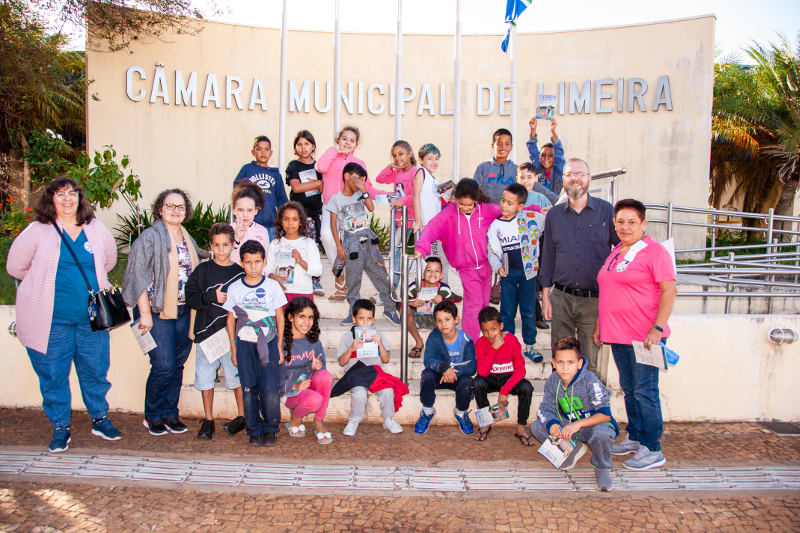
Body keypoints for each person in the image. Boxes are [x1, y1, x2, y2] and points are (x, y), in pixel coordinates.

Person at [7, 177, 121, 452]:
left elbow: (108, 262)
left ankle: (100, 418)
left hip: (91, 320)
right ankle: (60, 426)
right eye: (61, 194)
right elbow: (16, 267)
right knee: (53, 374)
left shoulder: (95, 229)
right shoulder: (37, 230)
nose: (67, 199)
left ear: (80, 198)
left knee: (95, 371)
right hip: (51, 321)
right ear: (51, 199)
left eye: (72, 194)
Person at [594, 199, 677, 471]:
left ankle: (653, 449)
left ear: (644, 224)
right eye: (620, 221)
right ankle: (637, 436)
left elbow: (669, 290)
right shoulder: (616, 251)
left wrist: (657, 328)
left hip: (645, 337)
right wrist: (599, 325)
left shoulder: (655, 252)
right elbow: (609, 291)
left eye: (631, 222)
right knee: (630, 390)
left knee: (645, 392)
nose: (625, 226)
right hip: (618, 335)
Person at [123, 188, 211, 437]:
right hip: (156, 310)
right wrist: (145, 313)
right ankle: (153, 415)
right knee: (163, 365)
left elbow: (203, 259)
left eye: (180, 207)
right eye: (170, 206)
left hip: (184, 310)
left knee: (178, 364)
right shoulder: (149, 238)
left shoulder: (186, 238)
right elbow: (138, 276)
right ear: (160, 209)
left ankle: (170, 414)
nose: (175, 210)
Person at [414, 178, 541, 340]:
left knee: (483, 304)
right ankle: (470, 342)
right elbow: (433, 227)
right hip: (466, 267)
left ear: (476, 200)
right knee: (474, 304)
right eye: (461, 204)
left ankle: (483, 337)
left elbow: (508, 210)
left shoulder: (485, 209)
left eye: (470, 204)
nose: (465, 208)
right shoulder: (449, 213)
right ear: (455, 199)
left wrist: (534, 209)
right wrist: (421, 247)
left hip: (485, 265)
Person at [539, 158, 619, 375]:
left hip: (593, 301)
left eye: (580, 174)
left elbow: (620, 251)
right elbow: (547, 257)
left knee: (589, 362)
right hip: (561, 299)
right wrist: (546, 297)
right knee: (562, 361)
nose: (575, 178)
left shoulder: (606, 211)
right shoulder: (554, 215)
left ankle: (588, 408)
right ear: (563, 180)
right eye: (570, 174)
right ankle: (562, 407)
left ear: (589, 179)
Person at [529, 336, 619, 491]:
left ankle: (601, 466)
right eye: (560, 362)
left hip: (591, 426)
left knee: (602, 433)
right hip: (568, 427)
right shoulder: (553, 380)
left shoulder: (590, 380)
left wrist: (579, 424)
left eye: (570, 363)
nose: (565, 368)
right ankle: (572, 451)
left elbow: (605, 414)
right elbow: (545, 408)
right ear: (553, 363)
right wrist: (552, 423)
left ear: (579, 363)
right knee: (537, 427)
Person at [184, 223, 247, 440]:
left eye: (226, 245)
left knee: (236, 377)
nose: (221, 250)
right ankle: (208, 419)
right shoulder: (202, 271)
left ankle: (242, 416)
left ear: (233, 245)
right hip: (207, 335)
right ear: (211, 246)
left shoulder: (240, 273)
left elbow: (247, 305)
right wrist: (211, 297)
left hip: (231, 338)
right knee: (205, 378)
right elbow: (190, 297)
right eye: (217, 245)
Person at [223, 240, 287, 446]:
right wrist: (233, 349)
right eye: (248, 262)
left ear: (264, 262)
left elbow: (280, 317)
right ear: (241, 263)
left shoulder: (272, 286)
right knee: (249, 388)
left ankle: (271, 428)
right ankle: (254, 429)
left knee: (269, 389)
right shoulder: (234, 288)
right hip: (244, 343)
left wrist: (279, 345)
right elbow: (230, 319)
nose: (253, 267)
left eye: (257, 262)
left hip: (267, 343)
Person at [324, 162, 400, 327]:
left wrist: (363, 188)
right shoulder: (336, 199)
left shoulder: (361, 193)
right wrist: (338, 245)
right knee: (353, 278)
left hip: (368, 240)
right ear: (347, 177)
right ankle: (353, 312)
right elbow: (333, 224)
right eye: (358, 180)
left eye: (363, 181)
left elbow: (371, 208)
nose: (360, 183)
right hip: (351, 242)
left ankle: (390, 309)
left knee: (380, 274)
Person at [315, 126, 382, 302]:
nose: (347, 143)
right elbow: (320, 166)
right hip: (331, 206)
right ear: (338, 140)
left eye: (352, 140)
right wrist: (333, 151)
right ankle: (339, 278)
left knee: (355, 247)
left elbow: (366, 187)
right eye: (344, 139)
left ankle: (349, 286)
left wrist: (384, 195)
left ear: (356, 145)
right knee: (327, 237)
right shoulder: (330, 157)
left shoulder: (360, 164)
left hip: (353, 210)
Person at [487, 183, 547, 363]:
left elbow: (552, 219)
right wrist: (497, 266)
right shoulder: (496, 225)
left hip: (529, 274)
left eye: (510, 203)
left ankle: (530, 345)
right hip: (508, 275)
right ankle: (509, 346)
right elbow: (493, 251)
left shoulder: (531, 218)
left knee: (529, 310)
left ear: (521, 206)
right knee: (507, 311)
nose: (504, 206)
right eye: (503, 201)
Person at [335, 299, 403, 436]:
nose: (365, 322)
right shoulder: (348, 337)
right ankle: (354, 421)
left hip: (374, 374)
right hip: (355, 375)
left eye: (369, 319)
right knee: (359, 393)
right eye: (361, 318)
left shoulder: (379, 336)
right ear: (354, 319)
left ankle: (388, 419)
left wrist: (380, 345)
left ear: (373, 320)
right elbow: (342, 362)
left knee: (388, 391)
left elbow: (386, 359)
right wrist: (351, 349)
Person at [472, 306, 534, 444]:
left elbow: (520, 370)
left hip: (509, 378)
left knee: (527, 388)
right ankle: (486, 423)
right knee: (477, 383)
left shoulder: (512, 341)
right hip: (490, 378)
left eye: (493, 329)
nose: (489, 334)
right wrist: (493, 349)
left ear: (501, 326)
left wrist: (505, 390)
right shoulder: (481, 343)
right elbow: (482, 372)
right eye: (485, 331)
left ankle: (521, 427)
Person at [414, 301, 476, 435]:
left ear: (456, 320)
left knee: (467, 381)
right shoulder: (434, 336)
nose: (443, 324)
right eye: (439, 321)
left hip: (457, 377)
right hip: (439, 375)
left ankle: (461, 412)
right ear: (435, 323)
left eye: (447, 319)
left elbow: (472, 367)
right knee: (427, 374)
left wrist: (453, 372)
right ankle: (427, 411)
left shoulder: (466, 340)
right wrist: (444, 368)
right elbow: (428, 359)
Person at [280, 297, 333, 445]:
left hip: (307, 387)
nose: (306, 322)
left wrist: (315, 368)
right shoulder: (280, 343)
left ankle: (318, 422)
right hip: (289, 392)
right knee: (314, 400)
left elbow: (322, 378)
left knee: (326, 376)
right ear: (290, 317)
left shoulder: (314, 342)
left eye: (310, 317)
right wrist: (294, 386)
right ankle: (295, 418)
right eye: (301, 316)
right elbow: (270, 378)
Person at [412, 143, 457, 296]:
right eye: (430, 158)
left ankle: (443, 292)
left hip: (436, 227)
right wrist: (418, 221)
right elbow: (415, 195)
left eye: (437, 158)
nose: (434, 161)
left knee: (441, 262)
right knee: (431, 264)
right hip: (426, 226)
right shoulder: (421, 172)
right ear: (421, 160)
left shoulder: (433, 179)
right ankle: (431, 296)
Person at [285, 130, 325, 296]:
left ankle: (315, 281)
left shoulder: (319, 167)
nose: (303, 147)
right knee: (293, 246)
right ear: (296, 147)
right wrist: (318, 183)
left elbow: (325, 187)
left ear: (313, 146)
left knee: (313, 248)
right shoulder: (293, 166)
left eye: (307, 144)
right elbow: (297, 187)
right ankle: (289, 278)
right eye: (299, 144)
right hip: (297, 216)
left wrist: (320, 183)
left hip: (315, 214)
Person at [473, 128, 559, 206]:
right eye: (499, 143)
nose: (503, 147)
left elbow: (537, 187)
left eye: (507, 144)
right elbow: (474, 192)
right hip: (487, 216)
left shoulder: (517, 170)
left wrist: (562, 201)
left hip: (510, 217)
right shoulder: (483, 168)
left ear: (511, 146)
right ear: (492, 146)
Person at [376, 140, 418, 290]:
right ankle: (390, 287)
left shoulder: (415, 172)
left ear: (410, 154)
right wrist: (390, 167)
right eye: (394, 155)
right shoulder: (397, 173)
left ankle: (391, 288)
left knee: (396, 253)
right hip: (397, 217)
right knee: (394, 252)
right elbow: (379, 179)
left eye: (400, 154)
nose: (397, 158)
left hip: (408, 219)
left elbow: (415, 196)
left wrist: (402, 200)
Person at [264, 201, 323, 305]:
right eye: (286, 219)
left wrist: (301, 261)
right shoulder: (275, 244)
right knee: (283, 321)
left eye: (294, 219)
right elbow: (268, 269)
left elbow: (317, 271)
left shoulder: (308, 243)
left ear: (301, 222)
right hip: (281, 293)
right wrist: (273, 276)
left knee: (302, 321)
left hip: (303, 293)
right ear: (281, 221)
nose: (290, 223)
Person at [233, 135, 289, 241]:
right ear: (253, 152)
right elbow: (237, 189)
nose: (263, 152)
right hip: (252, 222)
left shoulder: (275, 174)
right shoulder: (247, 169)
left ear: (271, 153)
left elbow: (282, 199)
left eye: (266, 149)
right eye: (259, 149)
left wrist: (283, 218)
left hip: (271, 222)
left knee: (271, 250)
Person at [407, 257, 455, 359]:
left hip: (435, 320)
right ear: (423, 274)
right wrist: (412, 303)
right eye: (428, 270)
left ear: (441, 275)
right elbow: (401, 302)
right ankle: (419, 342)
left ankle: (434, 344)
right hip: (417, 318)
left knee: (445, 315)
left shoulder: (444, 289)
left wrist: (443, 303)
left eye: (437, 271)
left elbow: (453, 308)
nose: (433, 273)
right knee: (404, 309)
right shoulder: (414, 287)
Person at [230, 181, 270, 266]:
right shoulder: (228, 230)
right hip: (234, 277)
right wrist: (236, 239)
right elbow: (224, 259)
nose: (245, 215)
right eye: (240, 210)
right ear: (234, 210)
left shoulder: (262, 231)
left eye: (249, 210)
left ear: (256, 210)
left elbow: (266, 260)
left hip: (256, 277)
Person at [526, 117, 566, 196]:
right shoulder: (537, 169)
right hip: (537, 206)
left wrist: (553, 132)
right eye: (543, 155)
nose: (546, 158)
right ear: (540, 158)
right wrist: (533, 130)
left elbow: (559, 155)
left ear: (555, 158)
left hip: (553, 206)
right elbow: (533, 151)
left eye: (550, 155)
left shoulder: (558, 172)